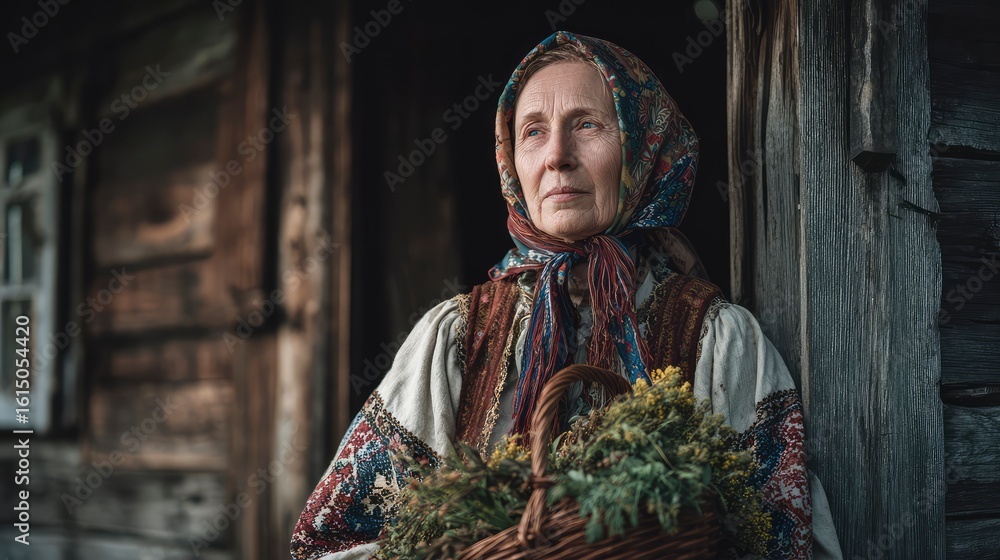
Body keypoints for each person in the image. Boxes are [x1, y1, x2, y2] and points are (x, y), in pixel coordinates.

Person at [290, 31, 843, 559]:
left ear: (642, 150)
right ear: (512, 163)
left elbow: (783, 541)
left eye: (587, 125)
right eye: (532, 131)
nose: (557, 155)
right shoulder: (458, 337)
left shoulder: (718, 339)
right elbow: (334, 541)